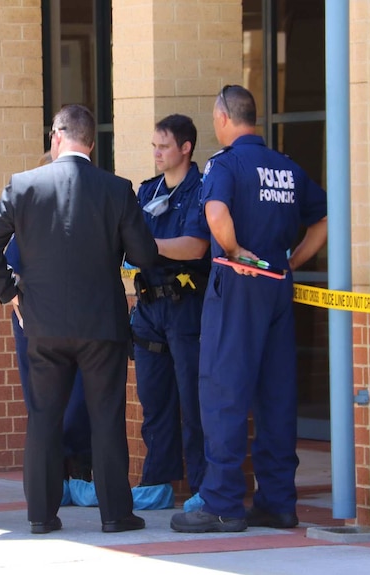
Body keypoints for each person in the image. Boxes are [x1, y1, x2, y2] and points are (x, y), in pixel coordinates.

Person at [0, 104, 159, 535]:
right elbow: (145, 256)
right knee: (107, 417)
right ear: (92, 143)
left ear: (56, 138)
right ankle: (115, 514)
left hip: (42, 322)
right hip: (102, 324)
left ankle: (41, 514)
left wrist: (11, 291)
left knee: (43, 417)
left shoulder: (23, 185)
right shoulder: (117, 188)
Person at [170, 85, 328, 533]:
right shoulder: (286, 167)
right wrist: (293, 260)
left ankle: (221, 503)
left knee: (224, 391)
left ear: (223, 118)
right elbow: (324, 217)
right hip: (278, 285)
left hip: (238, 285)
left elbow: (216, 211)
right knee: (276, 395)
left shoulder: (226, 164)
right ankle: (278, 502)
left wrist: (236, 249)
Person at [6, 151, 95, 508]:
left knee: (79, 397)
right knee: (42, 400)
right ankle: (53, 475)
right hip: (35, 321)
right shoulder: (27, 221)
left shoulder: (84, 215)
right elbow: (7, 266)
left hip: (75, 319)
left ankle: (78, 469)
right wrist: (17, 301)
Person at [130, 114, 210, 511]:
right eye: (154, 146)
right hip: (147, 308)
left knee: (194, 402)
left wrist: (146, 245)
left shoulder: (201, 190)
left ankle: (202, 486)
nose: (157, 153)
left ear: (185, 148)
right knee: (154, 399)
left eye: (164, 146)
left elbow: (195, 247)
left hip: (186, 307)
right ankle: (158, 481)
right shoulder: (147, 191)